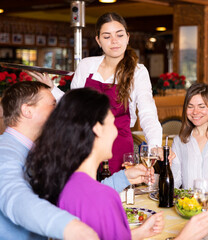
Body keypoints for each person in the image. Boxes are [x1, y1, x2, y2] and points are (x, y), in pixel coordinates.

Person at [25, 88, 208, 240]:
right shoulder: (103, 199)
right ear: (97, 129)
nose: (116, 133)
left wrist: (137, 234)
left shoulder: (65, 182)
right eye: (113, 124)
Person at [0, 81, 152, 240]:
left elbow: (79, 195)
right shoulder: (4, 151)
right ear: (27, 110)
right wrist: (70, 227)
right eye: (53, 104)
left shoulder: (36, 150)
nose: (60, 111)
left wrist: (124, 177)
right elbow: (15, 197)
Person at [30, 12, 162, 174]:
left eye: (119, 35)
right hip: (84, 143)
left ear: (127, 37)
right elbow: (74, 106)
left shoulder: (138, 71)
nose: (114, 41)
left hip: (118, 146)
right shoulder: (86, 65)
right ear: (98, 40)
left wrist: (155, 146)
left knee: (115, 192)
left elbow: (148, 113)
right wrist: (52, 89)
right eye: (107, 36)